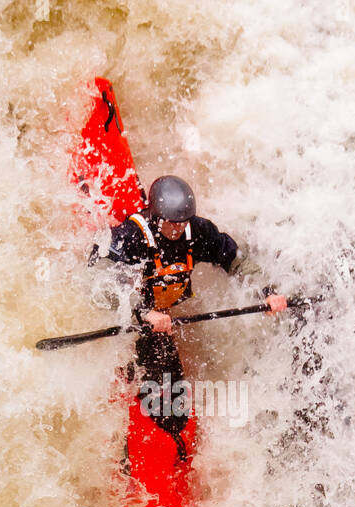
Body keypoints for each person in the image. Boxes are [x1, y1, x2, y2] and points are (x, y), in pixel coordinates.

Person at [106, 176, 286, 451]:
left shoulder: (197, 231)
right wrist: (143, 313)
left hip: (160, 317)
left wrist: (267, 292)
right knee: (159, 372)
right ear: (155, 216)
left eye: (183, 222)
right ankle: (136, 406)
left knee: (173, 394)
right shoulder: (132, 236)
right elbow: (106, 281)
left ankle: (173, 432)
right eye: (171, 222)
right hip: (133, 314)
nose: (178, 228)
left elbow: (235, 259)